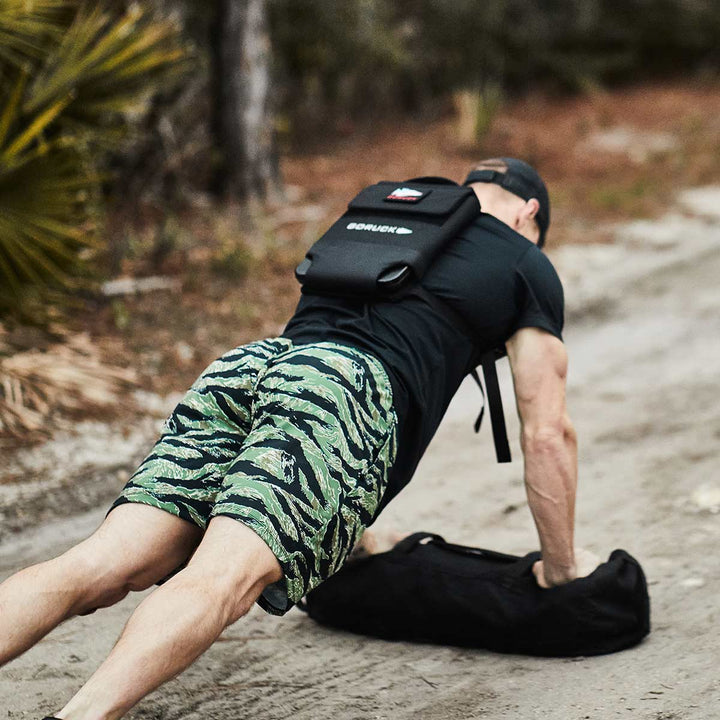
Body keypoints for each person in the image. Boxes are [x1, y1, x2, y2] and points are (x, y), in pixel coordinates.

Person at [0, 157, 582, 720]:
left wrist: (359, 536)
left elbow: (296, 420)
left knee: (96, 565)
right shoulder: (523, 261)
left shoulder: (399, 226)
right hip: (338, 389)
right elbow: (548, 433)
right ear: (530, 214)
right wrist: (559, 572)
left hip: (250, 369)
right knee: (222, 580)